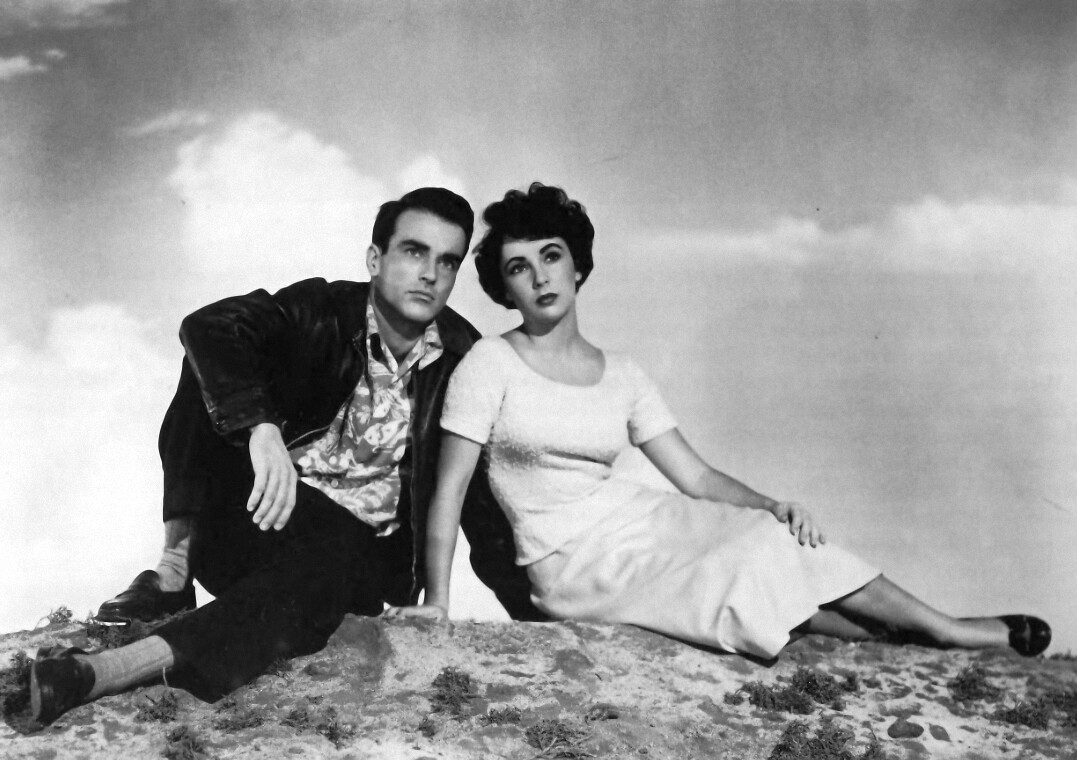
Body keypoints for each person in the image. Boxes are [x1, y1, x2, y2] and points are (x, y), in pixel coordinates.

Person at [388, 182, 1051, 662]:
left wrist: (773, 505)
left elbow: (698, 477)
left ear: (578, 264)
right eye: (518, 267)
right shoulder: (490, 364)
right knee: (741, 571)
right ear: (504, 288)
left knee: (767, 535)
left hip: (639, 521)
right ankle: (938, 633)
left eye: (551, 255)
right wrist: (437, 600)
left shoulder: (623, 373)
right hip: (571, 564)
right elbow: (447, 490)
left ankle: (940, 629)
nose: (539, 277)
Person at [30, 187, 540, 726]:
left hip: (354, 562)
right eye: (415, 251)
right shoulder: (320, 308)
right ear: (375, 259)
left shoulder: (463, 358)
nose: (431, 274)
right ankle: (174, 573)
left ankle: (100, 672)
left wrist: (537, 616)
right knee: (210, 366)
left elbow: (480, 500)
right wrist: (262, 427)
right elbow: (209, 326)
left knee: (333, 552)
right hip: (264, 515)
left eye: (447, 261)